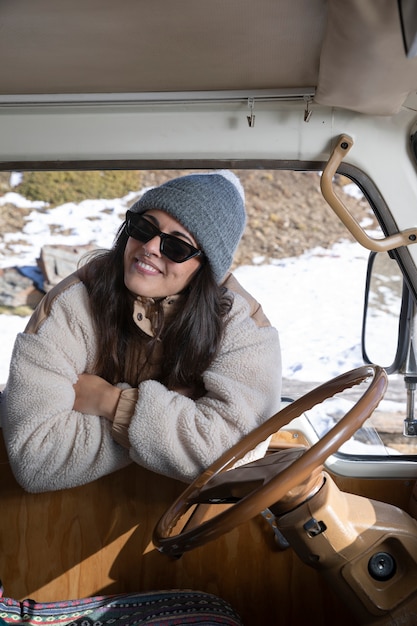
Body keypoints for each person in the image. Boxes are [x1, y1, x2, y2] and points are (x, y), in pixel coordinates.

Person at [1, 170, 282, 493]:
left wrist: (113, 403)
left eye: (176, 246)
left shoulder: (242, 324)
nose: (150, 246)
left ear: (206, 268)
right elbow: (36, 458)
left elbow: (234, 457)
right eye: (143, 227)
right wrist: (178, 429)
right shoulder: (72, 303)